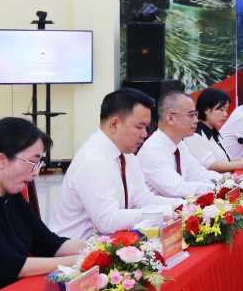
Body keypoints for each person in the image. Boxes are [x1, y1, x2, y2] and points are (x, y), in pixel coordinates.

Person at [50, 89, 180, 239]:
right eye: (139, 127)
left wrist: (181, 206)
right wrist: (165, 212)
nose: (145, 134)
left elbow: (143, 199)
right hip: (76, 248)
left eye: (147, 127)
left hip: (109, 243)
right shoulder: (94, 159)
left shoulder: (127, 155)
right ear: (114, 125)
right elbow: (107, 221)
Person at [0, 118, 86, 291]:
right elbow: (11, 265)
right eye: (32, 162)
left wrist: (99, 247)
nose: (36, 172)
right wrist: (81, 259)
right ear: (1, 160)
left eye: (39, 164)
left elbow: (50, 244)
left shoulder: (12, 196)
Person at [138, 91, 220, 198]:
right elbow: (177, 189)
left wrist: (227, 181)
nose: (196, 120)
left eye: (196, 114)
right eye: (191, 115)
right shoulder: (152, 150)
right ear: (170, 118)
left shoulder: (179, 144)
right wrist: (216, 188)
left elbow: (198, 174)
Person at [187, 88, 243, 173]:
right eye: (221, 110)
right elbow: (211, 165)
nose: (225, 114)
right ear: (207, 110)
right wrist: (242, 164)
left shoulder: (214, 133)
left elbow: (226, 160)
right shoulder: (194, 135)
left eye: (226, 110)